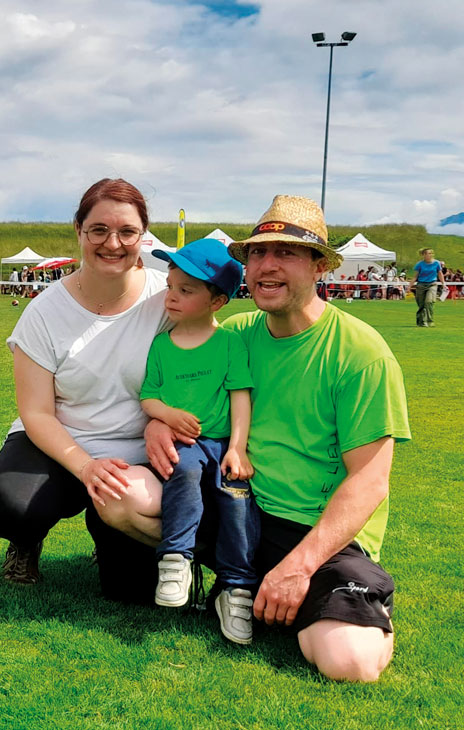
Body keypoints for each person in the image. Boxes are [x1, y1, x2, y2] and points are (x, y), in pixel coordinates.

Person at [144, 195, 410, 681]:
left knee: (351, 662)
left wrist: (299, 568)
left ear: (318, 267)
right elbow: (183, 380)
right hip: (239, 508)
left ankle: (323, 595)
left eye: (285, 253)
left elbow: (370, 483)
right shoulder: (236, 333)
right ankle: (229, 582)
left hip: (317, 532)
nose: (266, 266)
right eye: (257, 254)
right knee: (121, 498)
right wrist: (159, 420)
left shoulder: (360, 352)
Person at [0, 178, 170, 590]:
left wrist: (162, 423)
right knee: (10, 507)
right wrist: (87, 467)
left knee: (133, 590)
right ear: (78, 231)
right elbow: (36, 413)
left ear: (143, 235)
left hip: (138, 460)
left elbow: (204, 374)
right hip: (61, 445)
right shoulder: (45, 312)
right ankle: (26, 542)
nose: (112, 243)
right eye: (98, 230)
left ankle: (109, 531)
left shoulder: (167, 299)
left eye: (127, 231)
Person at [139, 238, 257, 645]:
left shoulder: (229, 344)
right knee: (183, 473)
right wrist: (166, 416)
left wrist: (238, 449)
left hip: (224, 444)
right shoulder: (160, 345)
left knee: (237, 496)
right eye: (170, 286)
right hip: (185, 444)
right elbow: (148, 396)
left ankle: (236, 588)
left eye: (186, 290)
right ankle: (175, 561)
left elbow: (240, 398)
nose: (171, 297)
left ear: (217, 302)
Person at [409, 248, 445, 327]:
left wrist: (443, 284)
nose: (429, 255)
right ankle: (421, 322)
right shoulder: (420, 264)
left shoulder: (437, 263)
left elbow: (440, 274)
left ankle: (430, 320)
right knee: (421, 304)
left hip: (432, 284)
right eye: (427, 253)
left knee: (429, 302)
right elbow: (415, 276)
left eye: (430, 253)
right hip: (421, 285)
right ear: (423, 255)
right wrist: (409, 286)